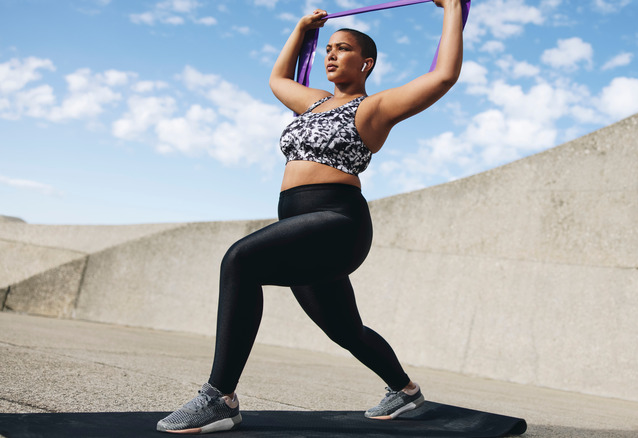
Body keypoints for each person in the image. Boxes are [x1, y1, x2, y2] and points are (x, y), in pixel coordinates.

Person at [157, 0, 463, 433]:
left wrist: (452, 7)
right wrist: (302, 30)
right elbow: (278, 79)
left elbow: (443, 75)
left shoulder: (372, 109)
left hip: (339, 222)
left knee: (240, 259)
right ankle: (405, 391)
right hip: (300, 228)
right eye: (328, 49)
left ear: (366, 63)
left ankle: (219, 396)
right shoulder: (314, 102)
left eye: (343, 49)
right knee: (345, 329)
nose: (332, 55)